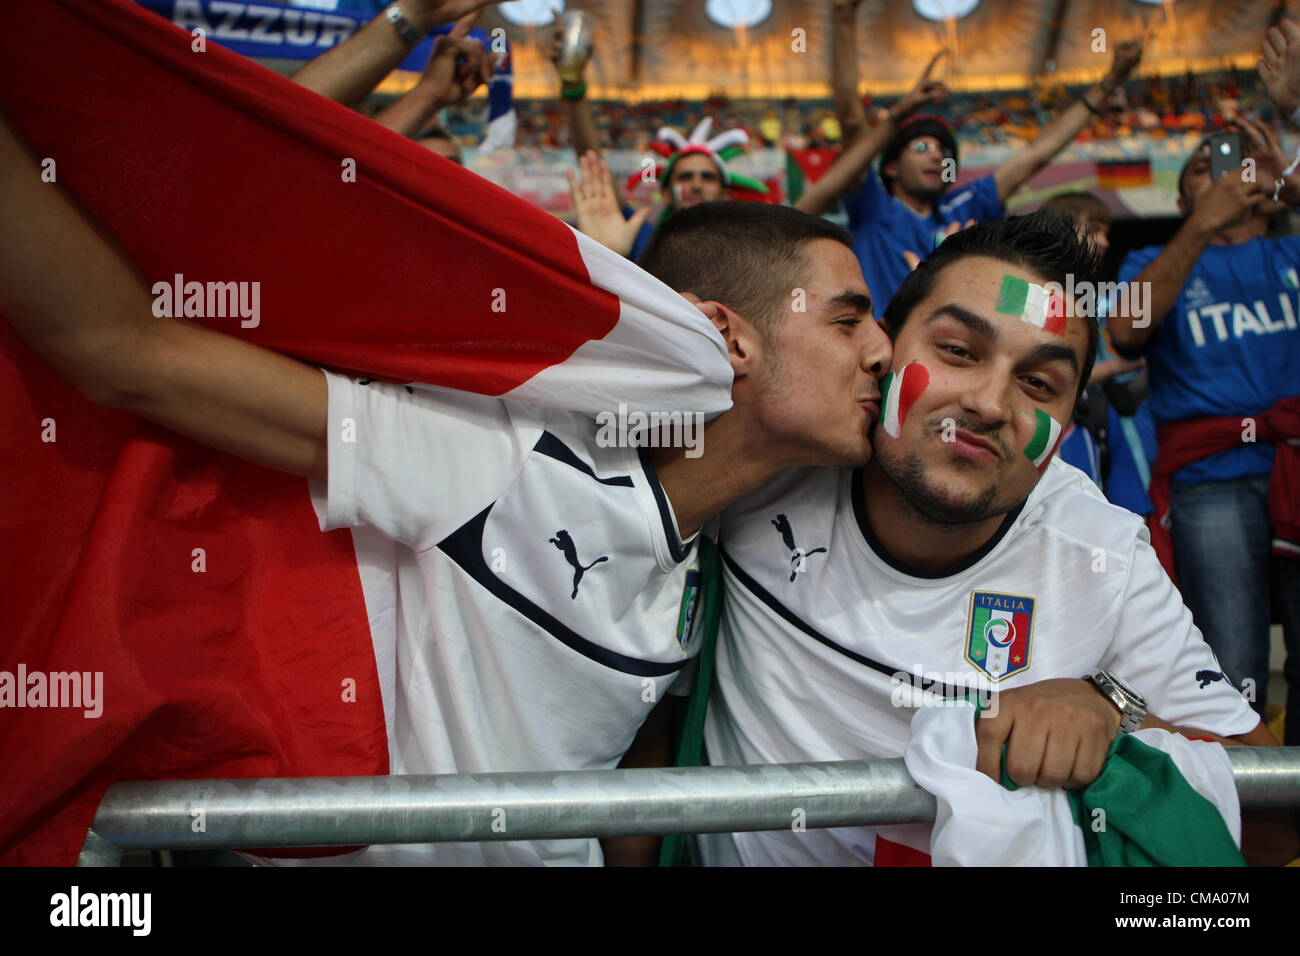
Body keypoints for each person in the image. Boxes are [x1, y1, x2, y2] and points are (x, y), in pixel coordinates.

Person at [0, 77, 891, 866]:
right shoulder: (503, 456)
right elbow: (129, 352)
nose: (882, 351)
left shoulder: (754, 536)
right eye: (849, 321)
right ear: (730, 338)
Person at [699, 211, 1288, 866]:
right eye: (957, 351)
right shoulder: (771, 465)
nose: (988, 403)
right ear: (882, 350)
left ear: (1068, 422)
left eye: (1039, 384)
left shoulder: (1101, 552)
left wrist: (1117, 721)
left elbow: (1277, 817)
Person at [1109, 112, 1300, 746]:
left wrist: (1293, 183)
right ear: (1182, 196)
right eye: (1204, 170)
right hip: (1211, 481)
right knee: (1232, 666)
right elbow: (1125, 329)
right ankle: (1251, 829)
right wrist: (1201, 227)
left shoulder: (1289, 250)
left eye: (1239, 165)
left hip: (1295, 464)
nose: (1222, 176)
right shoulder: (1151, 261)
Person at [819, 0, 1143, 307]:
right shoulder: (874, 206)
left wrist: (1110, 81)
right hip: (877, 359)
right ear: (890, 167)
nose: (937, 156)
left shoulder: (964, 207)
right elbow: (850, 119)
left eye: (944, 152)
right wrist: (844, 17)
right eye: (921, 147)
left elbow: (1037, 155)